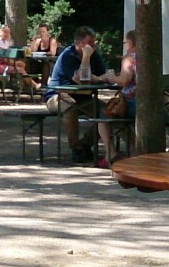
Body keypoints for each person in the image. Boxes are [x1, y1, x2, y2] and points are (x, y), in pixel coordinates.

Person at [45, 26, 119, 164]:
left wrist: (100, 77)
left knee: (107, 112)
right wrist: (86, 57)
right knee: (70, 109)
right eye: (90, 43)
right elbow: (80, 79)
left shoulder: (94, 55)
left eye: (94, 43)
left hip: (84, 97)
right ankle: (76, 148)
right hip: (58, 95)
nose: (93, 46)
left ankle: (85, 143)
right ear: (79, 44)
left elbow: (104, 75)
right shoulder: (68, 56)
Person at [96, 30, 139, 166]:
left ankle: (110, 153)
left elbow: (124, 80)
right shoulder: (149, 57)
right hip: (151, 103)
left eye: (125, 42)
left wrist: (111, 78)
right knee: (118, 118)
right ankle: (134, 151)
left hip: (133, 103)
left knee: (103, 117)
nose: (124, 44)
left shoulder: (129, 58)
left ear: (131, 43)